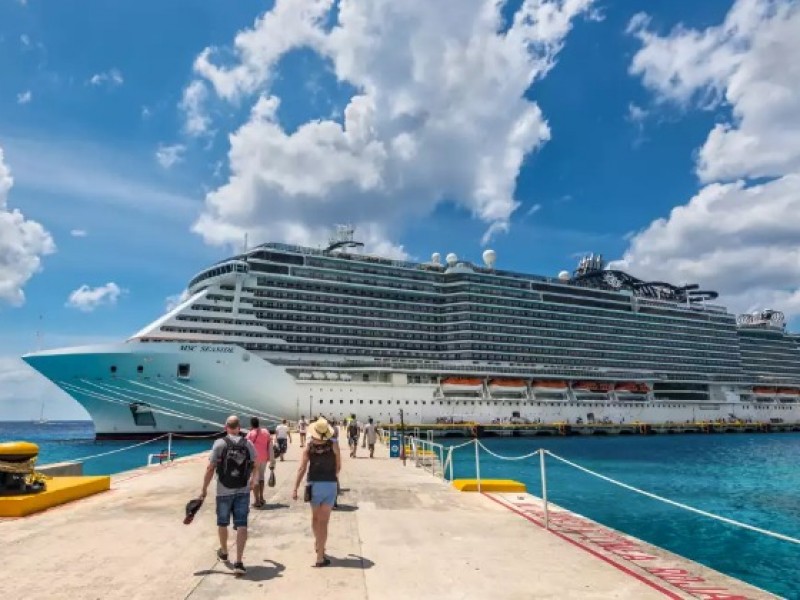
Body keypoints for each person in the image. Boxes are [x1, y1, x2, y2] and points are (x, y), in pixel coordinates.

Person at [200, 416, 257, 576]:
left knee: (222, 523)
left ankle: (224, 552)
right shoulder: (248, 443)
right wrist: (253, 480)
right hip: (243, 489)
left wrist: (203, 489)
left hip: (223, 489)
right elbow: (255, 465)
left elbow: (211, 468)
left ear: (226, 427)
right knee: (242, 525)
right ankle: (239, 562)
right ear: (239, 427)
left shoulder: (219, 443)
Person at [292, 418, 341, 567]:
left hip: (313, 484)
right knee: (324, 522)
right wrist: (332, 477)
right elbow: (338, 466)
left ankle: (318, 543)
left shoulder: (308, 446)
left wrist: (295, 488)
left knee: (315, 518)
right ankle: (320, 556)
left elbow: (302, 469)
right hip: (329, 484)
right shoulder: (334, 445)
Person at [246, 416, 275, 508]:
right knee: (261, 477)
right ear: (258, 423)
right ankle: (262, 497)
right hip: (264, 458)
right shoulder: (265, 432)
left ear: (251, 424)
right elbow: (270, 443)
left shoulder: (250, 434)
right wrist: (271, 459)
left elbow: (246, 446)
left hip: (254, 459)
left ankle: (257, 501)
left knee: (255, 479)